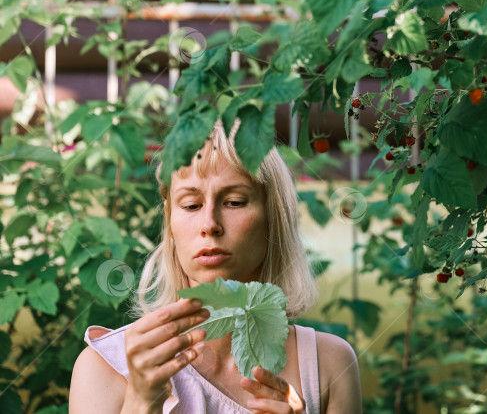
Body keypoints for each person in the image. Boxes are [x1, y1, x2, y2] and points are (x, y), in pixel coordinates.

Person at [69, 120, 362, 413]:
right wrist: (140, 402)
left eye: (234, 202)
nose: (209, 224)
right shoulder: (105, 367)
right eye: (191, 205)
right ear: (170, 220)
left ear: (274, 216)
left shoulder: (329, 365)